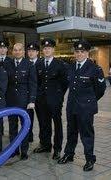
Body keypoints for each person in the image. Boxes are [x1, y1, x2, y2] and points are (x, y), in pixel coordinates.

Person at [58, 40, 106, 171]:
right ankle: (69, 154)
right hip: (72, 106)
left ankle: (90, 159)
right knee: (71, 132)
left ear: (87, 53)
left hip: (86, 108)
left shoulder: (95, 69)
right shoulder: (71, 66)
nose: (79, 54)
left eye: (82, 52)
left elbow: (100, 90)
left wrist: (89, 101)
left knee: (86, 134)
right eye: (77, 51)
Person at [33, 38, 68, 160]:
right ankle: (45, 145)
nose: (46, 50)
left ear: (53, 49)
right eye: (45, 48)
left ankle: (57, 149)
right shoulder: (38, 63)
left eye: (49, 48)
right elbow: (36, 82)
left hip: (55, 100)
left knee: (57, 124)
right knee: (43, 123)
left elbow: (65, 83)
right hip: (41, 100)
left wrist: (58, 96)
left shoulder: (60, 64)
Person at [6, 43, 37, 160]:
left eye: (19, 50)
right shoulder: (7, 64)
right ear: (12, 52)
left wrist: (32, 100)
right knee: (12, 126)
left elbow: (33, 84)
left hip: (25, 102)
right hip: (11, 101)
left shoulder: (29, 65)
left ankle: (24, 151)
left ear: (23, 52)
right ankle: (14, 150)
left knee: (25, 127)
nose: (17, 52)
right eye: (15, 50)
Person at [26, 42, 41, 143]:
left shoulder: (41, 63)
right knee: (28, 118)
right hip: (28, 96)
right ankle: (29, 137)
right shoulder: (25, 63)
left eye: (33, 51)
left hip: (40, 97)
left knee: (42, 120)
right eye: (29, 51)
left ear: (37, 52)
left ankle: (43, 141)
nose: (31, 53)